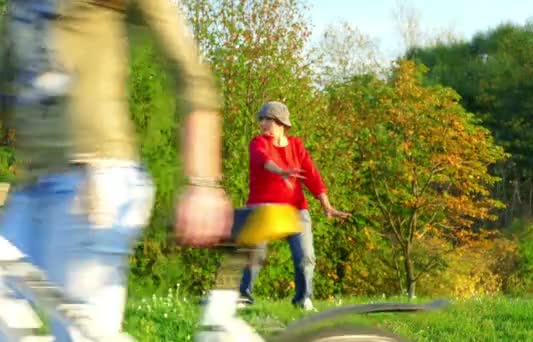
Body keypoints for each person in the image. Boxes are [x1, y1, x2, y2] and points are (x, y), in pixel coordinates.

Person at [0, 0, 232, 340]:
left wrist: (202, 183)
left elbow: (190, 74)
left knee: (78, 334)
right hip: (31, 189)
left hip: (94, 184)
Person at [239, 101, 350, 311]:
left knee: (305, 257)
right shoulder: (258, 142)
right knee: (255, 253)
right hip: (264, 208)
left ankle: (303, 299)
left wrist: (327, 205)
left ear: (281, 123)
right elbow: (263, 160)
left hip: (295, 209)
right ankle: (243, 296)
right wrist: (281, 171)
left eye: (267, 120)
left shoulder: (296, 146)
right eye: (261, 119)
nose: (262, 123)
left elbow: (312, 175)